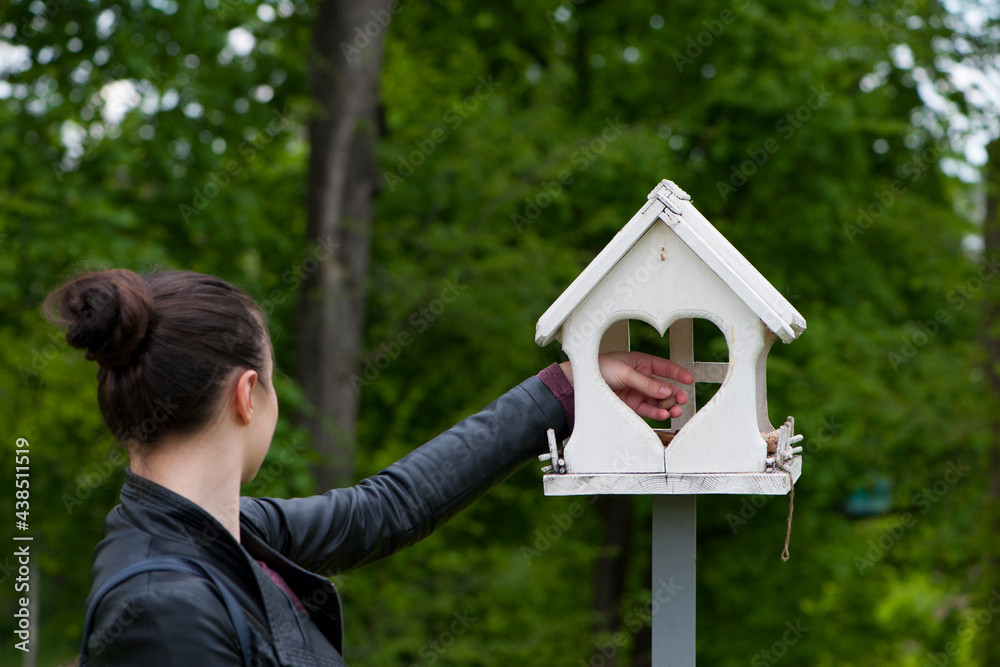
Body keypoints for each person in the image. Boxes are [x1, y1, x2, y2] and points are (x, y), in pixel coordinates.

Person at [45, 268, 694, 666]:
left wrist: (566, 390)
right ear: (248, 394)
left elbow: (386, 508)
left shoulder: (216, 536)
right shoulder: (166, 602)